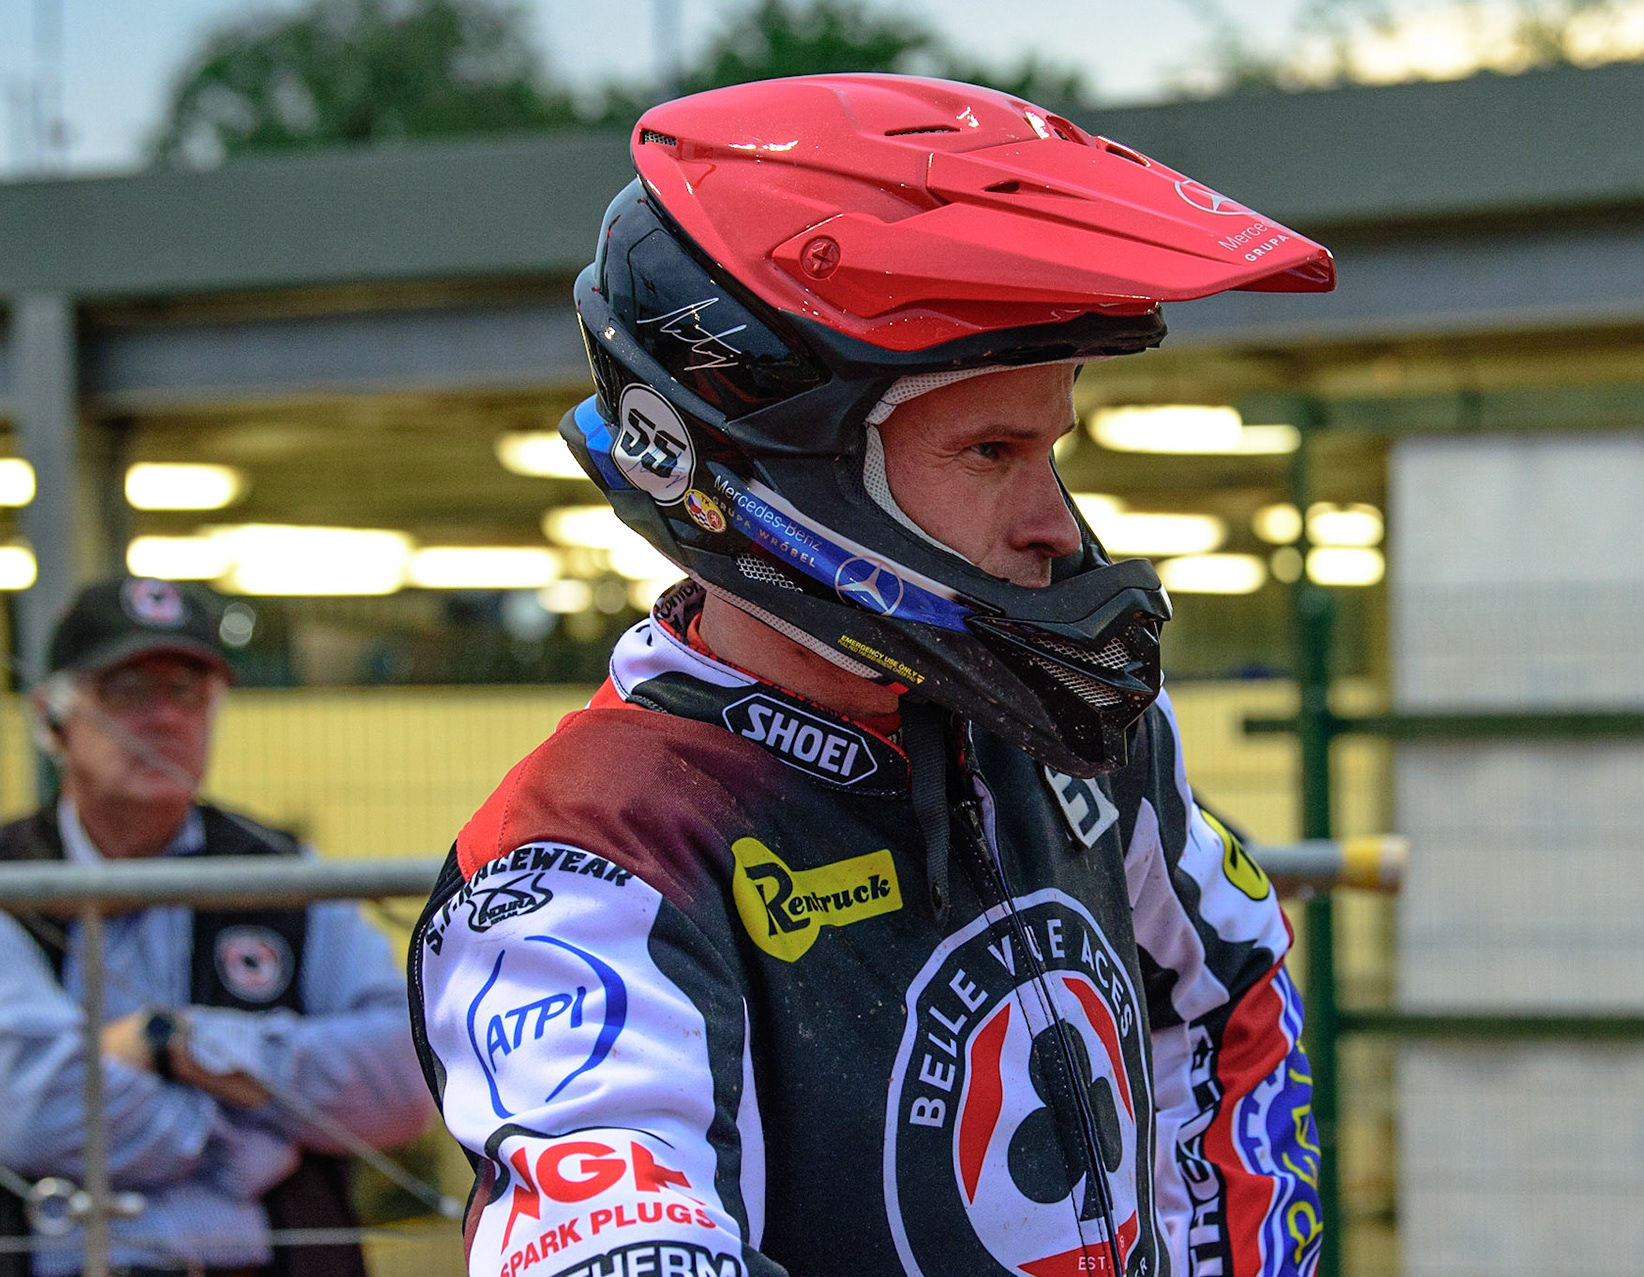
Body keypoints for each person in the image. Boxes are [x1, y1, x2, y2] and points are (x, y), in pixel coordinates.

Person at [410, 74, 1337, 1277]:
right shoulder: (591, 855)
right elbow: (619, 1234)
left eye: (1050, 445)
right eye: (991, 450)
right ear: (792, 465)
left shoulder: (1074, 727)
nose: (1055, 520)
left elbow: (1228, 1005)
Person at [0, 577, 437, 1277]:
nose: (164, 718)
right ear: (51, 719)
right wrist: (248, 1136)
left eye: (188, 691)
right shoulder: (11, 879)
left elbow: (405, 1080)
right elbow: (28, 1107)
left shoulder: (285, 873)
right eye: (128, 691)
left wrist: (179, 1042)